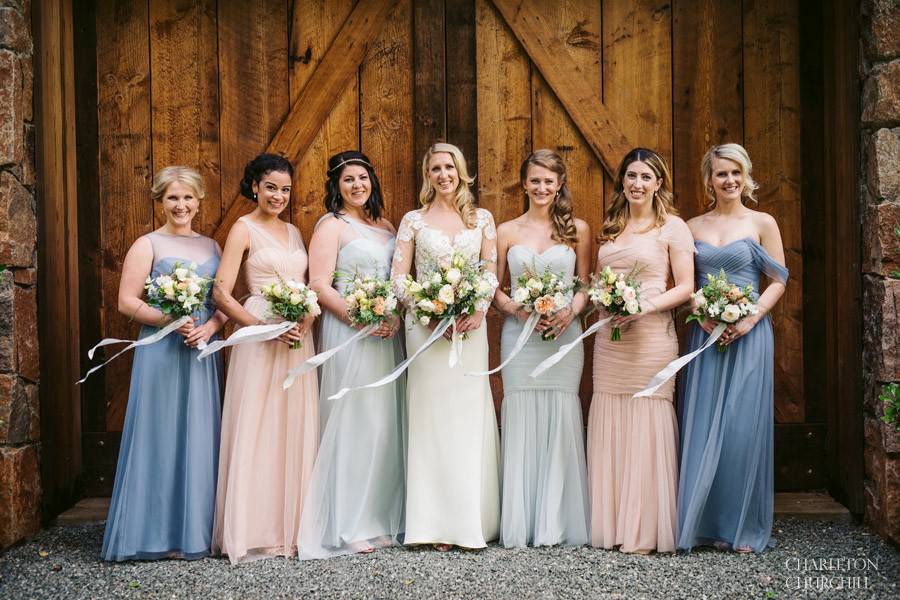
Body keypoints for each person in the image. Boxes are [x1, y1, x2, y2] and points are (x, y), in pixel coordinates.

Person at [102, 166, 226, 561]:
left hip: (200, 350)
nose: (181, 205)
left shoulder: (212, 247)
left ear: (199, 200)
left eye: (188, 197)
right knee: (159, 434)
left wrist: (209, 327)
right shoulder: (147, 244)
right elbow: (128, 302)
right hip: (161, 350)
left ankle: (195, 532)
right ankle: (150, 533)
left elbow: (225, 303)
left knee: (199, 435)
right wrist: (171, 320)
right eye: (173, 197)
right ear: (160, 201)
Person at [677, 143, 788, 553]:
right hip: (705, 335)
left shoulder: (762, 222)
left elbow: (778, 279)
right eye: (721, 173)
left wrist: (752, 317)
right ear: (709, 179)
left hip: (750, 334)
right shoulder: (691, 227)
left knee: (743, 427)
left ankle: (741, 527)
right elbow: (686, 283)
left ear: (746, 175)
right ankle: (703, 524)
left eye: (735, 172)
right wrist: (700, 312)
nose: (729, 180)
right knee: (704, 423)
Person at [390, 142, 500, 551]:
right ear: (427, 174)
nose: (443, 174)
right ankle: (430, 523)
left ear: (462, 171)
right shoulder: (413, 221)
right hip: (425, 328)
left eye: (450, 166)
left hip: (471, 329)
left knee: (468, 416)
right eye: (435, 168)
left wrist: (481, 308)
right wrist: (429, 311)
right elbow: (399, 276)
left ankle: (470, 520)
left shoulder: (482, 219)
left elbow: (490, 270)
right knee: (430, 418)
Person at [211, 153, 318, 564]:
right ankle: (251, 530)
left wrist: (306, 321)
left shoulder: (294, 232)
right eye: (271, 187)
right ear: (254, 185)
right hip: (259, 337)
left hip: (295, 338)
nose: (278, 195)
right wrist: (259, 325)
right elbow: (221, 291)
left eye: (285, 189)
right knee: (256, 426)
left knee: (292, 426)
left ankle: (289, 530)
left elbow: (306, 287)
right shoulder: (243, 228)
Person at [298, 151, 406, 558]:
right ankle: (347, 522)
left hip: (385, 334)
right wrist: (361, 317)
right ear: (336, 187)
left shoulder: (387, 225)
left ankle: (377, 517)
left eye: (363, 178)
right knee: (352, 421)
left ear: (372, 182)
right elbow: (321, 286)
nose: (357, 185)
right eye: (348, 180)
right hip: (349, 333)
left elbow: (397, 282)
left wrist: (391, 316)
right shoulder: (331, 226)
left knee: (382, 424)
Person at [588, 148, 694, 554]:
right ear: (622, 182)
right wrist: (606, 302)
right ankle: (614, 524)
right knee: (611, 412)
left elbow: (685, 286)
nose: (637, 184)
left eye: (646, 177)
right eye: (631, 176)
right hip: (612, 340)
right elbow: (599, 280)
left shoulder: (673, 228)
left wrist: (641, 307)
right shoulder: (612, 227)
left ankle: (645, 529)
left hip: (651, 336)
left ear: (659, 183)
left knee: (648, 415)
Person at [492, 149, 591, 547]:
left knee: (561, 412)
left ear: (560, 184)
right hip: (519, 336)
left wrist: (570, 312)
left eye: (549, 181)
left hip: (564, 335)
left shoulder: (577, 230)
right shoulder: (506, 231)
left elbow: (584, 284)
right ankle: (522, 519)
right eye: (535, 180)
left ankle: (558, 520)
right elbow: (492, 288)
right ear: (524, 183)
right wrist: (515, 309)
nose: (542, 187)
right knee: (521, 410)